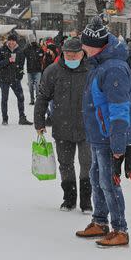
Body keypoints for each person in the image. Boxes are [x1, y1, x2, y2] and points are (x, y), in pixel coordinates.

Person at [75, 17, 131, 248]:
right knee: (96, 178)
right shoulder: (100, 63)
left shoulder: (113, 68)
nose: (82, 48)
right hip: (99, 135)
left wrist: (118, 144)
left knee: (109, 182)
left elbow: (120, 110)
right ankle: (100, 221)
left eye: (85, 44)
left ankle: (120, 229)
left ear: (96, 45)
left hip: (109, 136)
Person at [35, 37, 92, 212]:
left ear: (82, 54)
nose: (72, 58)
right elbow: (42, 97)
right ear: (63, 53)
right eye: (68, 54)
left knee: (87, 163)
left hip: (87, 127)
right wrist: (39, 121)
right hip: (61, 125)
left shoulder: (91, 70)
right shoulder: (53, 71)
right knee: (65, 163)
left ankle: (86, 200)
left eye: (75, 55)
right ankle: (69, 198)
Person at [0, 33, 31, 126]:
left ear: (16, 41)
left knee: (21, 97)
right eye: (10, 40)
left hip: (15, 79)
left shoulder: (19, 51)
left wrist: (20, 75)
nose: (11, 42)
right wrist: (7, 61)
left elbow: (21, 65)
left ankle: (22, 118)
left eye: (13, 41)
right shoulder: (1, 50)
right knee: (4, 99)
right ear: (7, 41)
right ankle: (5, 119)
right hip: (4, 79)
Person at [26, 39, 45, 106]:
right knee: (31, 86)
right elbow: (23, 54)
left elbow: (42, 55)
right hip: (30, 70)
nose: (32, 42)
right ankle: (32, 100)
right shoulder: (27, 49)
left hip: (37, 70)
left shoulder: (39, 49)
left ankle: (38, 99)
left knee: (37, 85)